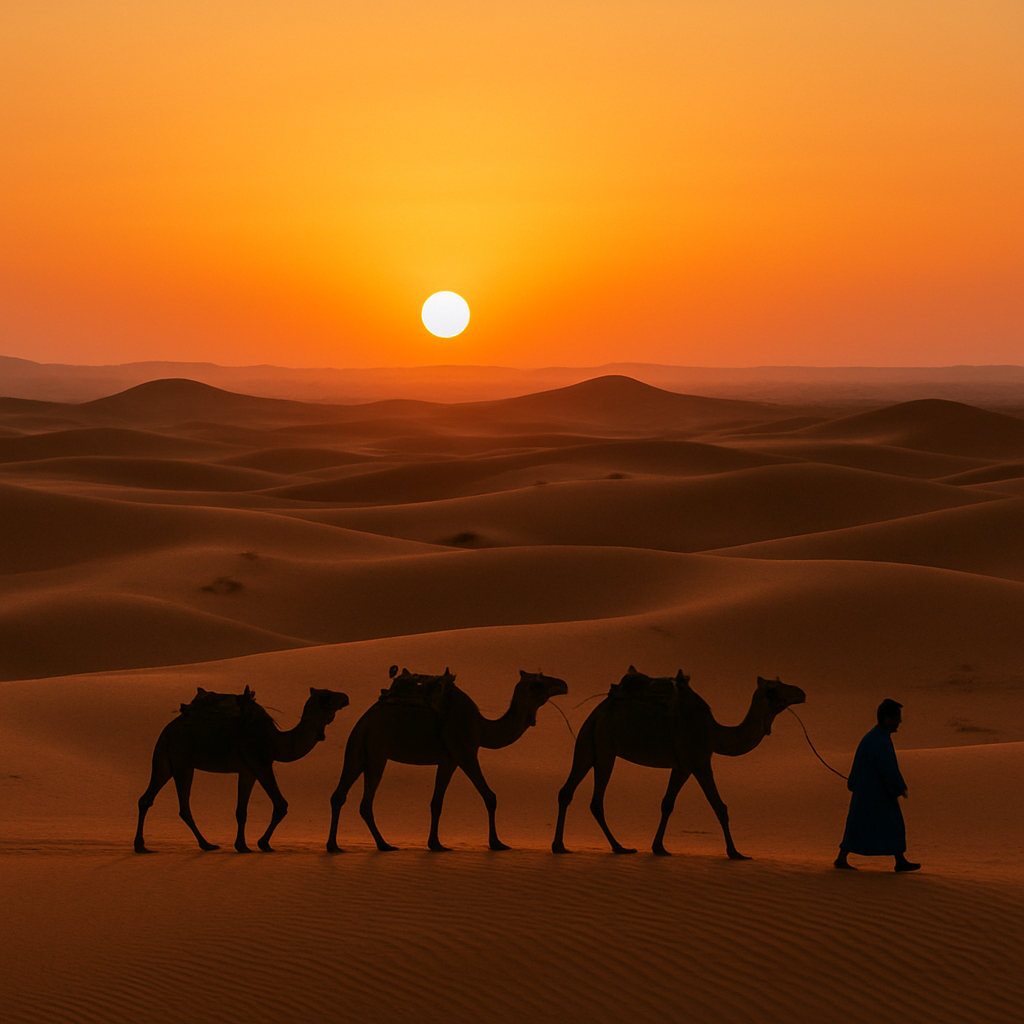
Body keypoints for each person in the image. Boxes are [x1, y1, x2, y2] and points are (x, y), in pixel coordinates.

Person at [835, 698, 920, 872]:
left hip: (868, 790)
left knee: (859, 823)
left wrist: (854, 783)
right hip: (876, 792)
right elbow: (888, 766)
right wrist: (899, 785)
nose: (899, 722)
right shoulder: (879, 740)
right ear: (887, 719)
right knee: (892, 823)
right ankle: (899, 860)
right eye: (897, 718)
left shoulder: (872, 737)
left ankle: (898, 859)